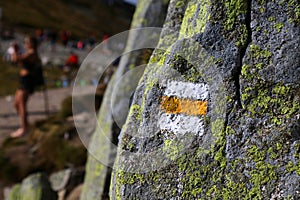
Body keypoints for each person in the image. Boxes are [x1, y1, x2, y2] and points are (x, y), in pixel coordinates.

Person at [10, 35, 41, 138]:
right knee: (16, 103)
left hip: (28, 81)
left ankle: (24, 128)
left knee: (22, 104)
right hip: (24, 80)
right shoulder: (30, 53)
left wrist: (15, 50)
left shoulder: (32, 54)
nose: (25, 44)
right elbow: (20, 62)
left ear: (31, 44)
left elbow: (17, 59)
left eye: (26, 42)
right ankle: (25, 125)